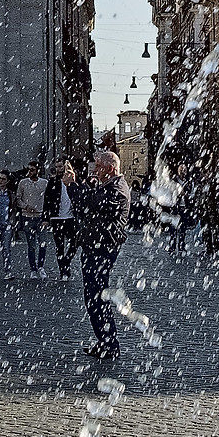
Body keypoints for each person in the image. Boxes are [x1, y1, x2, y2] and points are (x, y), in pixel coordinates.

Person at [75, 151, 133, 361]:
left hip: (103, 249)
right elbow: (85, 207)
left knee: (97, 298)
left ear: (110, 169)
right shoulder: (106, 186)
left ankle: (110, 345)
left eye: (98, 167)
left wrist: (74, 186)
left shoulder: (117, 189)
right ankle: (105, 342)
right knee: (93, 298)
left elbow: (92, 205)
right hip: (95, 247)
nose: (95, 171)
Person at [45, 159, 79, 283]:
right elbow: (47, 200)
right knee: (60, 246)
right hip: (57, 218)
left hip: (70, 217)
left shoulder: (74, 182)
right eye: (57, 167)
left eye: (61, 167)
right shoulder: (53, 182)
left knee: (75, 243)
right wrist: (45, 218)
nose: (59, 169)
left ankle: (66, 262)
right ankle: (63, 271)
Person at [15, 167, 48, 276]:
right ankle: (33, 269)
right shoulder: (23, 183)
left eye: (32, 170)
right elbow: (18, 199)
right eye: (29, 170)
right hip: (27, 217)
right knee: (31, 245)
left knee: (43, 243)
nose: (30, 172)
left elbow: (48, 200)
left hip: (40, 216)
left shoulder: (44, 183)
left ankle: (41, 266)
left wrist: (46, 217)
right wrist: (25, 206)